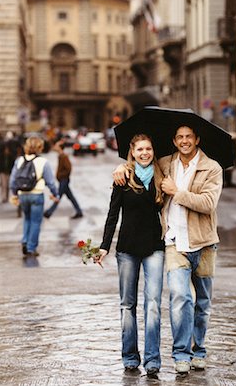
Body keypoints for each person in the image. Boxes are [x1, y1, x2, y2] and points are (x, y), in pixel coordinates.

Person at [113, 125, 223, 374]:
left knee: (202, 303)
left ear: (197, 140)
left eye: (189, 137)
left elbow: (208, 203)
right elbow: (140, 165)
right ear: (174, 140)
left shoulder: (212, 168)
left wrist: (178, 192)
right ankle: (181, 354)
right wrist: (121, 168)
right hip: (174, 242)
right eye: (180, 137)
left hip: (204, 242)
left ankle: (199, 350)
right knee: (179, 298)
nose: (184, 141)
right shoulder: (166, 163)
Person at [96, 134, 165, 378]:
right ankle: (130, 357)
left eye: (148, 148)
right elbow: (112, 214)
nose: (145, 153)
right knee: (128, 305)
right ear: (132, 152)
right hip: (126, 249)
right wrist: (104, 246)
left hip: (155, 247)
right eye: (140, 149)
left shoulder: (162, 177)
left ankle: (153, 360)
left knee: (154, 304)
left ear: (153, 151)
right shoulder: (123, 177)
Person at [9, 136, 59, 257]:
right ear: (40, 147)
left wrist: (14, 194)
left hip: (23, 195)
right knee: (36, 222)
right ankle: (31, 248)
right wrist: (55, 194)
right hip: (36, 195)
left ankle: (25, 241)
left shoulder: (19, 160)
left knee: (27, 219)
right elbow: (50, 182)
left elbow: (12, 180)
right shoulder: (43, 162)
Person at [43, 140, 83, 219]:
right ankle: (79, 211)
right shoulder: (60, 156)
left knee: (58, 196)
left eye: (57, 145)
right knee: (71, 197)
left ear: (60, 148)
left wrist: (60, 176)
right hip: (62, 180)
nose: (55, 147)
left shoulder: (64, 156)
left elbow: (68, 168)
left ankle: (49, 212)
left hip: (64, 180)